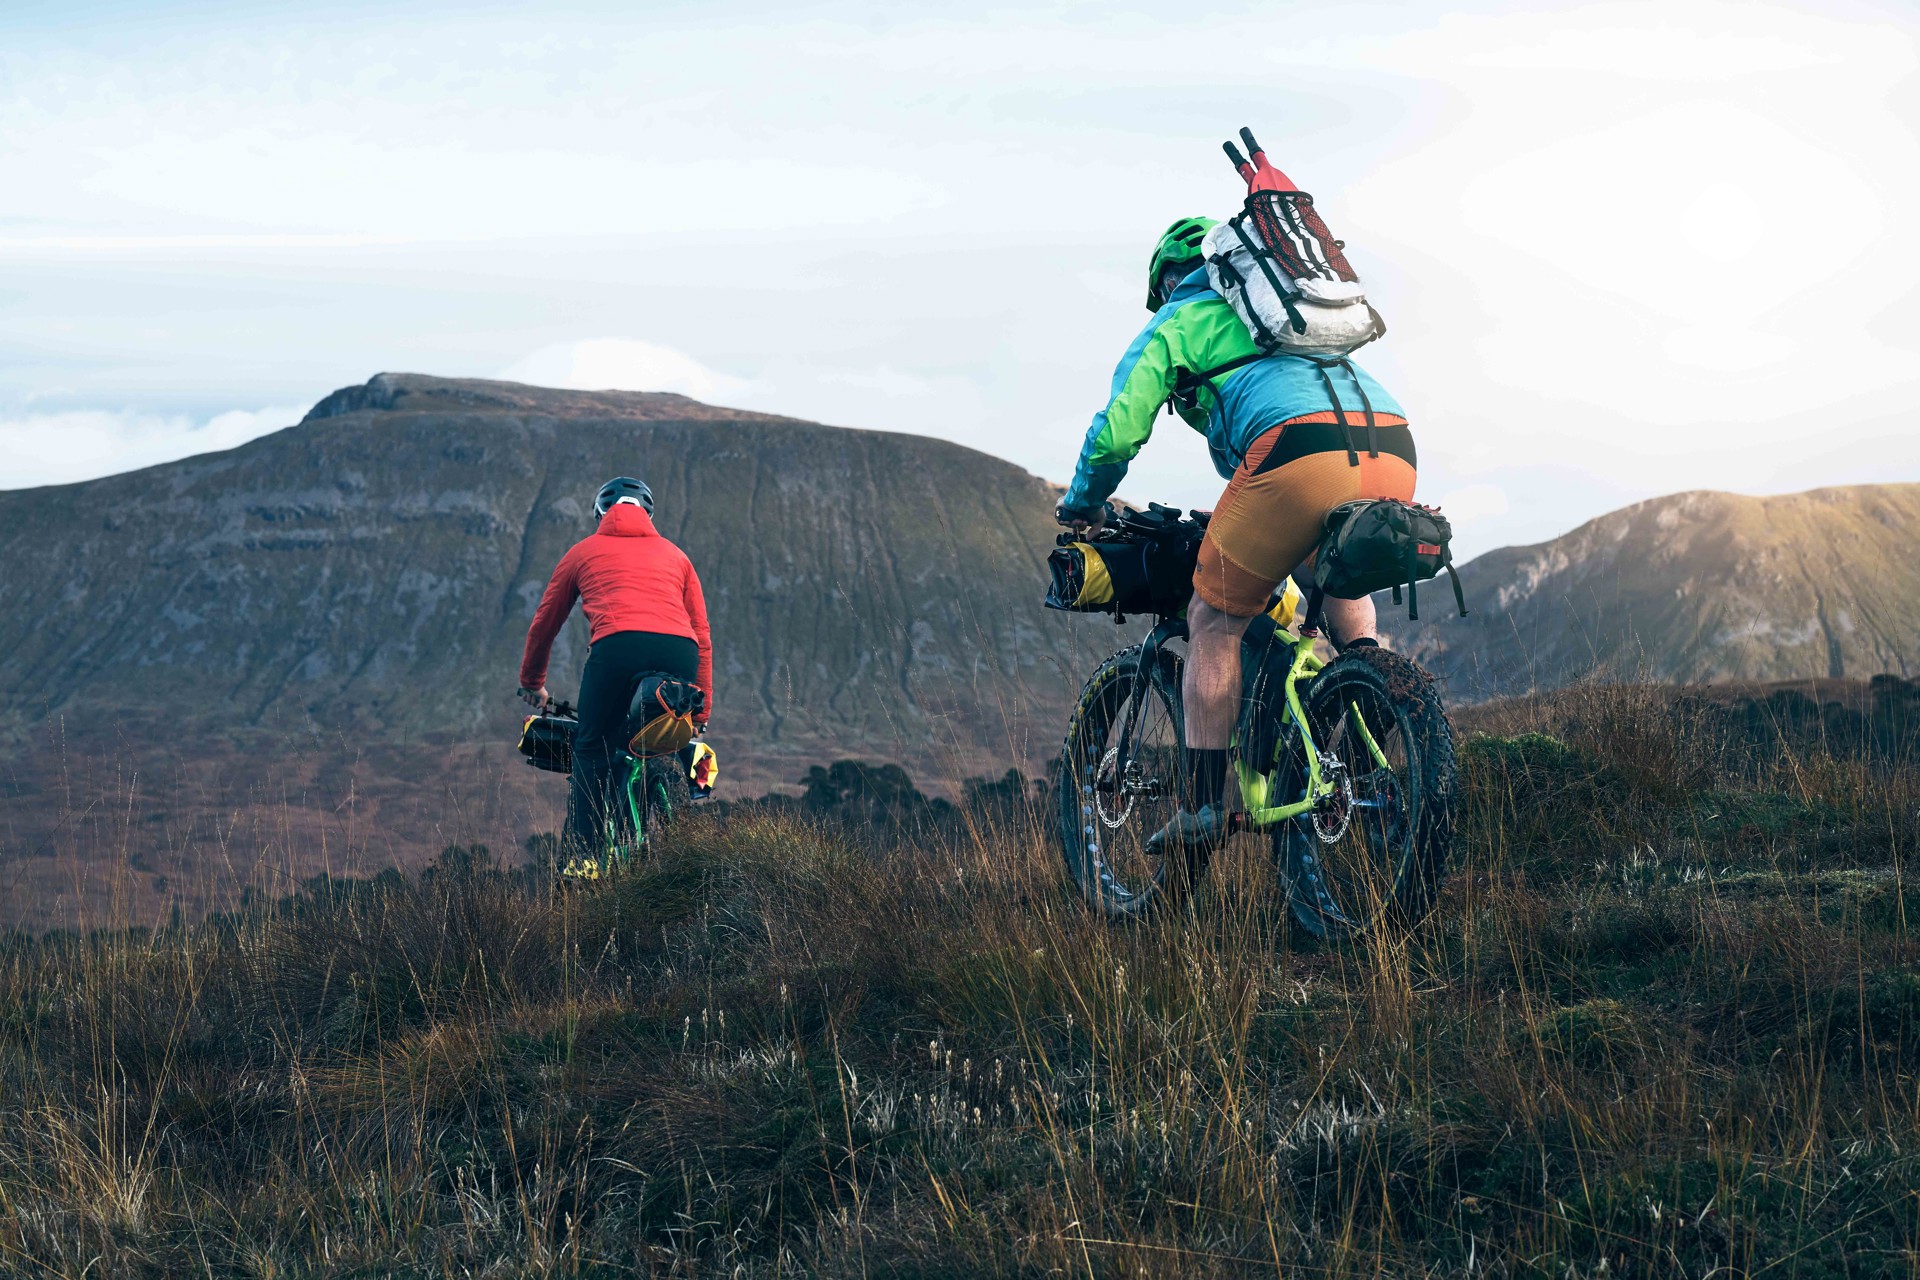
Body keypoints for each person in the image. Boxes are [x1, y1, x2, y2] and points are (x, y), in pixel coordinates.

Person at [1055, 217, 1417, 852]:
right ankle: (1370, 704)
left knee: (1213, 619)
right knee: (1328, 578)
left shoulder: (1180, 320)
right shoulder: (1288, 311)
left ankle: (1200, 807)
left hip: (1296, 453)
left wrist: (1082, 500)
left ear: (1169, 279)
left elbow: (1116, 432)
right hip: (1390, 444)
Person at [519, 476, 713, 860]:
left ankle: (585, 859)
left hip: (617, 647)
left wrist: (533, 683)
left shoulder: (582, 551)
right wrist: (701, 713)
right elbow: (702, 634)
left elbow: (545, 623)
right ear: (648, 514)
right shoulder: (677, 556)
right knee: (667, 734)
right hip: (680, 651)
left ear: (601, 514)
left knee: (590, 749)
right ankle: (686, 848)